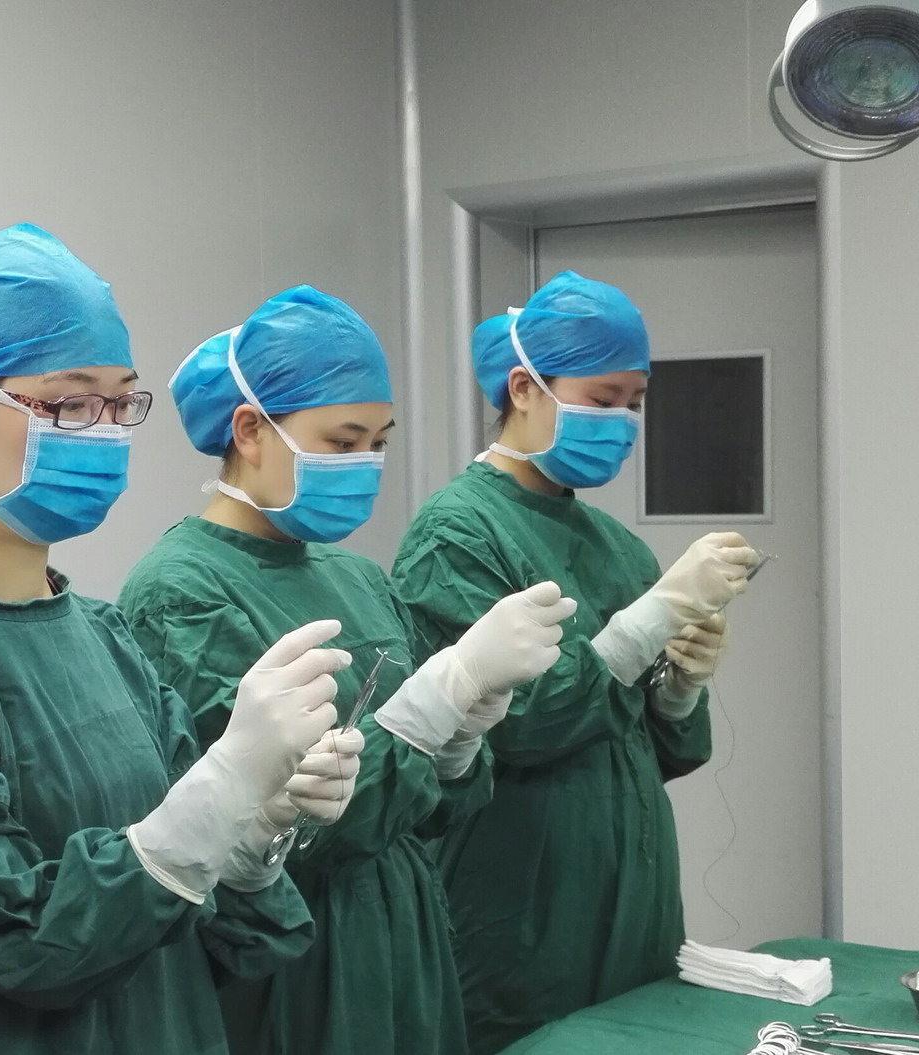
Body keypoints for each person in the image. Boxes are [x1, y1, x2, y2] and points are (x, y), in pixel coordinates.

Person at [0, 225, 362, 1055]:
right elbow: (19, 940)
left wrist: (256, 826)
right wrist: (216, 795)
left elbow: (222, 935)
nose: (103, 431)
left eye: (120, 403)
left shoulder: (105, 635)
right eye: (70, 404)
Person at [119, 285, 577, 1055]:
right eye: (341, 441)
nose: (365, 463)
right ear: (250, 430)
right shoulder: (180, 590)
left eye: (378, 441)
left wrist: (464, 736)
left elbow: (431, 809)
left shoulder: (359, 577)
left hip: (404, 932)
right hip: (294, 957)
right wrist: (438, 696)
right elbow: (277, 827)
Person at [391, 271, 754, 1053]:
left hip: (634, 903)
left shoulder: (618, 547)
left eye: (635, 401)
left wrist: (680, 691)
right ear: (525, 388)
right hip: (520, 912)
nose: (622, 420)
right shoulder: (457, 533)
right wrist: (648, 620)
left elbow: (650, 751)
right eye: (602, 397)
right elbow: (516, 726)